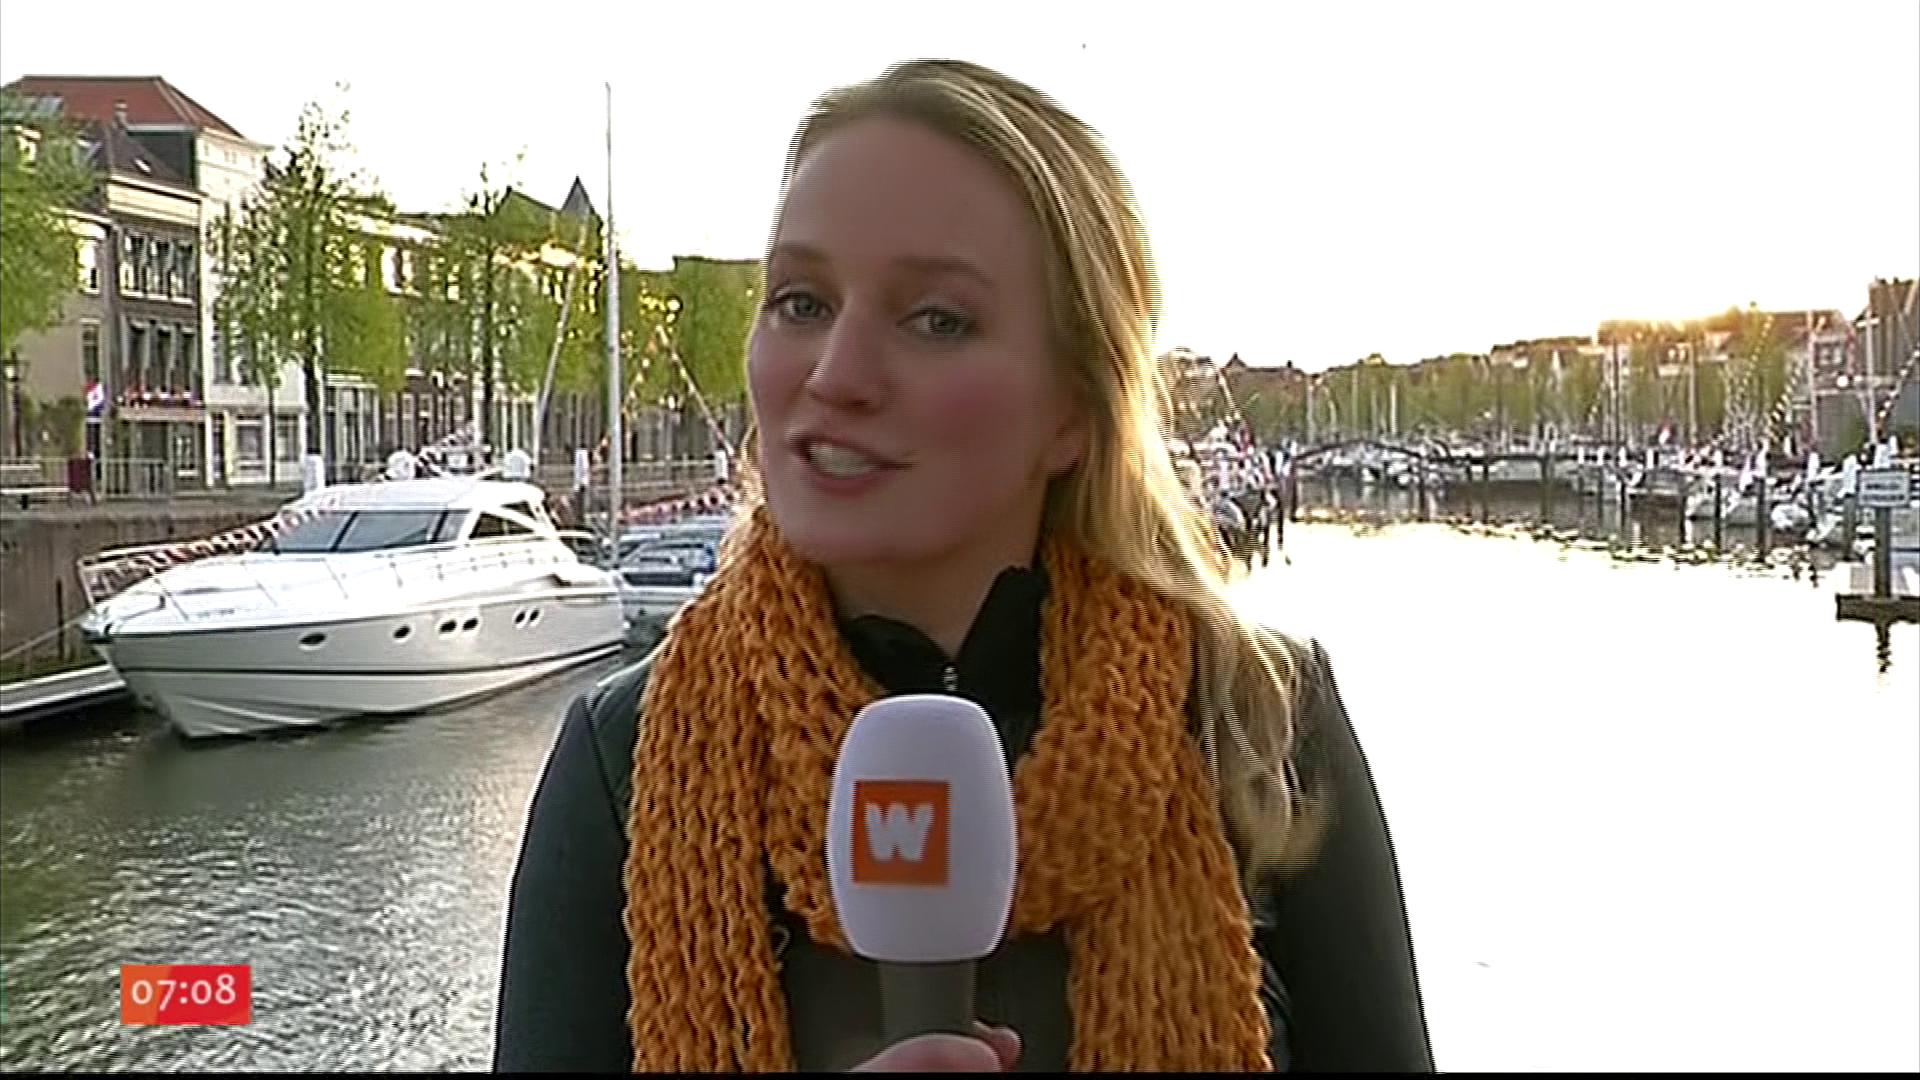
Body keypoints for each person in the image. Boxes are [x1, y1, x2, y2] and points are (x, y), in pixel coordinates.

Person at [493, 59, 1431, 1074]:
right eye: (801, 303)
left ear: (1074, 409)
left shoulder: (1259, 719)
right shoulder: (622, 758)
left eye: (937, 320)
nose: (835, 375)